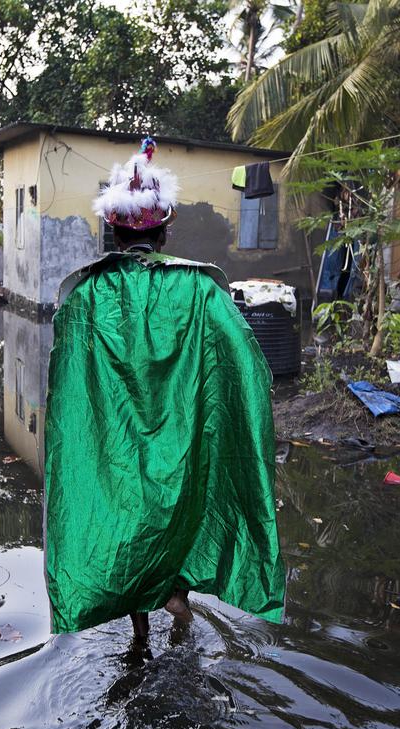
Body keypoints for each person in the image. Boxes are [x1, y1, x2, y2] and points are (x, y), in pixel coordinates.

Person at [43, 137, 284, 646]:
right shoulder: (199, 291)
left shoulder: (86, 295)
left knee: (132, 518)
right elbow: (244, 359)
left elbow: (68, 391)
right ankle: (179, 607)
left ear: (111, 226)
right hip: (182, 443)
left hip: (120, 451)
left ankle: (138, 632)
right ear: (166, 229)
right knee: (181, 509)